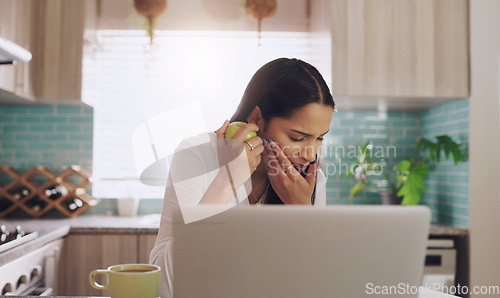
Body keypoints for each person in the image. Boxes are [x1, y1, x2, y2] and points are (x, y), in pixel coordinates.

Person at [149, 57, 336, 297]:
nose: (310, 154)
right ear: (257, 119)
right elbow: (167, 284)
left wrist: (301, 210)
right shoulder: (196, 155)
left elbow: (317, 284)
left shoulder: (309, 180)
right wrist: (226, 180)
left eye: (320, 137)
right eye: (298, 138)